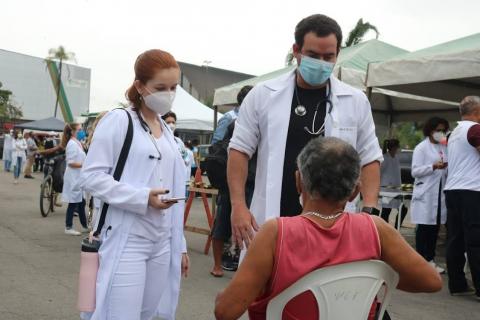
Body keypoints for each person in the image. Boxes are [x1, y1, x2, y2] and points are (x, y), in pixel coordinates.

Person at [215, 137, 442, 320]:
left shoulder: (275, 233)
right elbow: (431, 281)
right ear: (355, 192)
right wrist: (373, 279)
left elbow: (226, 312)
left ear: (298, 181)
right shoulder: (375, 228)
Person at [228, 14, 383, 249]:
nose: (321, 62)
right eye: (312, 55)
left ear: (337, 54)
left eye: (328, 56)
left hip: (332, 223)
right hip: (273, 217)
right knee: (268, 282)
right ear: (296, 50)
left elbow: (370, 158)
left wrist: (369, 210)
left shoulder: (356, 101)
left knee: (324, 283)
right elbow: (239, 150)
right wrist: (238, 205)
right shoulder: (263, 95)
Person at [78, 49, 189, 320]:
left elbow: (175, 189)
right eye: (160, 87)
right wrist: (141, 197)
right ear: (140, 86)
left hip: (163, 241)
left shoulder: (167, 131)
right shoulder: (119, 121)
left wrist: (180, 245)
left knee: (148, 314)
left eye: (173, 87)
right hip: (129, 238)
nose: (168, 94)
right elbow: (91, 176)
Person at [210, 86, 254, 277]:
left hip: (251, 179)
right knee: (223, 221)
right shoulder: (231, 121)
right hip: (232, 179)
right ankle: (218, 265)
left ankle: (241, 263)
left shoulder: (258, 120)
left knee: (250, 223)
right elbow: (217, 145)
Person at [444, 96, 480, 298]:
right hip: (472, 191)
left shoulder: (454, 133)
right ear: (477, 111)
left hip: (453, 190)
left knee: (455, 239)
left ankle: (457, 284)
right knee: (476, 240)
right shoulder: (474, 129)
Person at [410, 117, 449, 274]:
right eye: (438, 130)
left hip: (439, 193)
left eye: (443, 130)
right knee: (424, 228)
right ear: (430, 130)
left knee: (435, 228)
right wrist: (432, 166)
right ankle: (420, 261)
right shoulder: (421, 148)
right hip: (426, 193)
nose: (440, 133)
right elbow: (415, 171)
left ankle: (430, 260)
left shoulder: (443, 147)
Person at [61, 123, 89, 236]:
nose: (81, 131)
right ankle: (68, 227)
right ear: (72, 131)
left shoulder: (78, 143)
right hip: (73, 176)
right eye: (79, 129)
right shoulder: (72, 144)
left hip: (78, 176)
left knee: (81, 202)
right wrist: (85, 165)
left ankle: (85, 226)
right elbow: (71, 162)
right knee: (73, 203)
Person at [380, 138, 408, 227]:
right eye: (397, 147)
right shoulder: (384, 158)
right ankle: (383, 229)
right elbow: (379, 173)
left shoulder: (396, 158)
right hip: (386, 190)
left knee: (403, 209)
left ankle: (396, 227)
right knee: (386, 211)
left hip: (396, 190)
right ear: (394, 147)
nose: (398, 149)